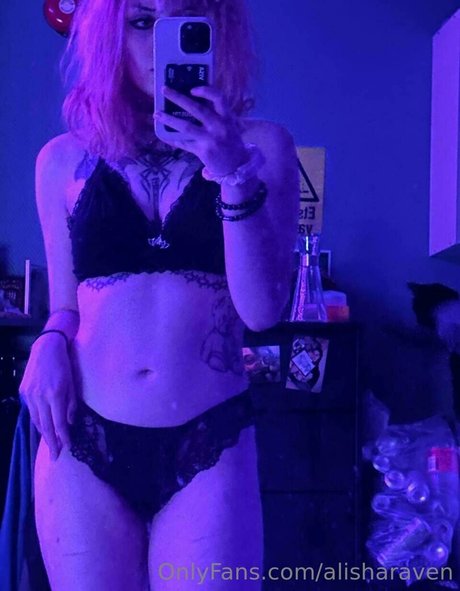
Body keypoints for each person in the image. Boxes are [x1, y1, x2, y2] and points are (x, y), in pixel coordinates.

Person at [18, 0, 299, 589]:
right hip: (83, 437)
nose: (158, 42)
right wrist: (47, 342)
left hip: (209, 438)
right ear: (108, 36)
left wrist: (231, 173)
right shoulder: (61, 160)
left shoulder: (263, 147)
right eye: (142, 21)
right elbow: (65, 306)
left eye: (183, 21)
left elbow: (262, 311)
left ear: (216, 31)